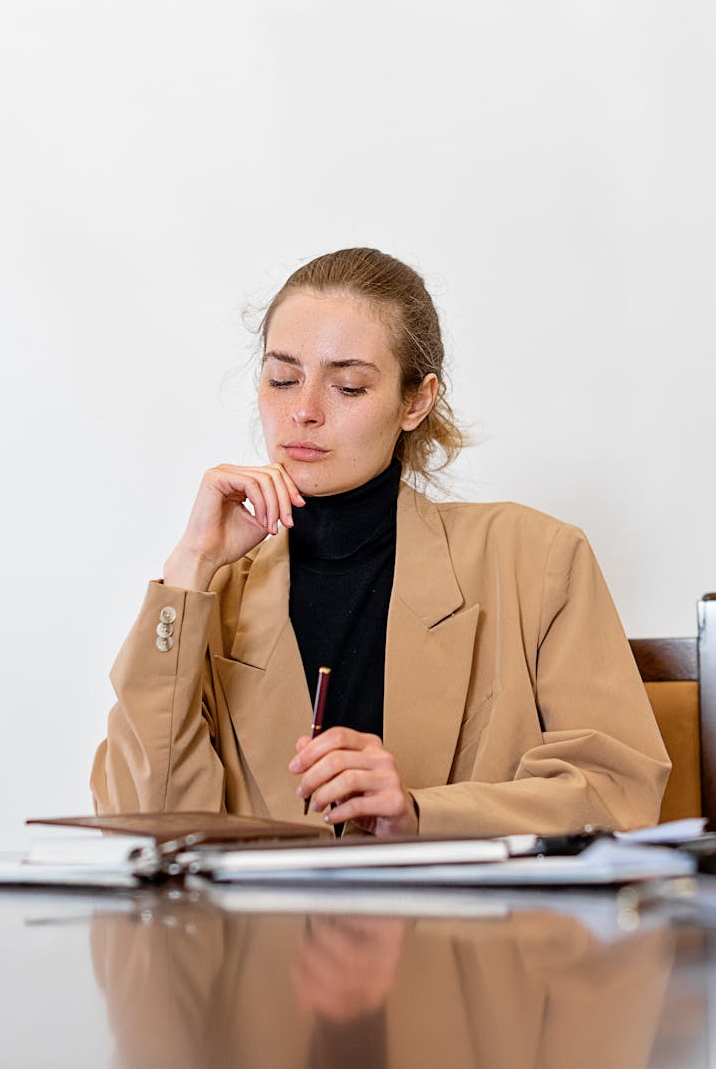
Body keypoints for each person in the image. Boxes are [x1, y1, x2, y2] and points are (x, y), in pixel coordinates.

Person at [91, 247, 670, 837]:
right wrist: (189, 567)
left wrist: (421, 815)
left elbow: (615, 796)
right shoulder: (210, 594)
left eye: (347, 387)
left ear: (416, 401)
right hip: (260, 931)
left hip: (468, 928)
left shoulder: (537, 558)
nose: (303, 412)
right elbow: (140, 822)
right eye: (282, 379)